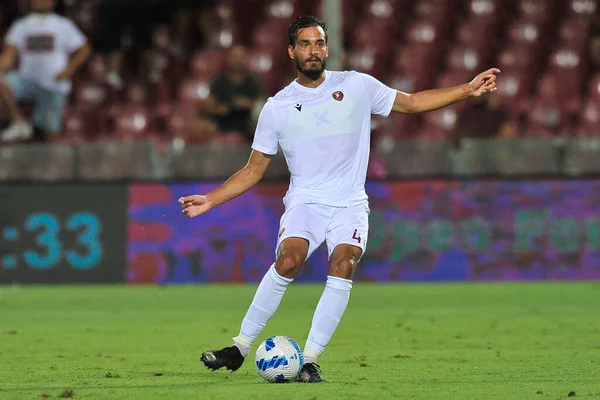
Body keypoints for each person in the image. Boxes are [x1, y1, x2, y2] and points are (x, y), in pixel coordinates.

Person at [178, 16, 499, 383]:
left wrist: (467, 89)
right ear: (291, 51)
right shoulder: (277, 107)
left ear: (327, 48)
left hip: (349, 204)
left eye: (318, 44)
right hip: (305, 203)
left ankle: (310, 359)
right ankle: (240, 347)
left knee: (343, 263)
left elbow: (410, 103)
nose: (313, 51)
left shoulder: (357, 85)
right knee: (289, 260)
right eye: (304, 44)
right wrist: (211, 200)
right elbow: (253, 170)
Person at [0, 0, 90, 141]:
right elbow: (9, 54)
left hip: (53, 84)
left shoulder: (62, 24)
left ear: (52, 2)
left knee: (48, 132)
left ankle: (50, 159)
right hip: (27, 80)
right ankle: (19, 122)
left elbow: (84, 49)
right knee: (3, 83)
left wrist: (68, 70)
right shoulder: (22, 25)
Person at [203, 44, 263, 142]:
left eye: (241, 57)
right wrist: (219, 109)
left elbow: (262, 106)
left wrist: (249, 104)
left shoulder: (254, 82)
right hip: (223, 122)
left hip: (247, 122)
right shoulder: (219, 81)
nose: (238, 61)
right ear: (228, 59)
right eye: (235, 57)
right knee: (203, 126)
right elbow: (208, 104)